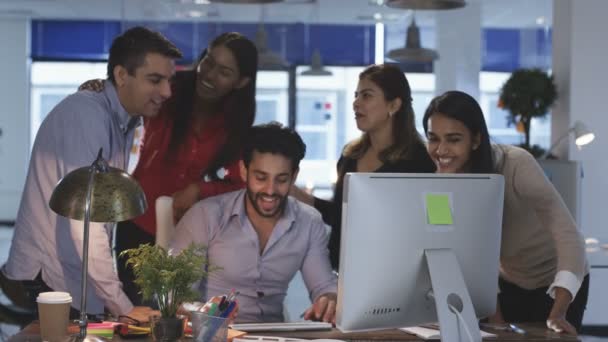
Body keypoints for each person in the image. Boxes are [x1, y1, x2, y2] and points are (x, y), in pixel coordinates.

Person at [0, 26, 182, 321]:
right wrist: (122, 306)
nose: (167, 92)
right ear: (122, 76)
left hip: (73, 273)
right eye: (155, 80)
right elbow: (87, 221)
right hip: (48, 276)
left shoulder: (125, 120)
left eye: (169, 81)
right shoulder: (88, 116)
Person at [80, 32, 259, 306]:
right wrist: (104, 91)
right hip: (138, 219)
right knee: (135, 309)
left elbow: (239, 181)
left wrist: (199, 189)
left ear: (242, 81)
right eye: (208, 62)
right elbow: (128, 97)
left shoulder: (235, 122)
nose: (209, 74)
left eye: (224, 71)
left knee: (178, 308)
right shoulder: (170, 90)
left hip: (190, 231)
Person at [422, 90, 589, 334]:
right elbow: (462, 252)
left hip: (559, 281)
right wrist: (495, 317)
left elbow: (569, 235)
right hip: (507, 283)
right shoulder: (437, 188)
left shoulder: (515, 164)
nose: (441, 150)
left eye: (454, 139)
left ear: (476, 139)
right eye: (433, 138)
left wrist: (560, 309)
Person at [170, 122, 338, 323]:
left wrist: (329, 300)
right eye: (260, 178)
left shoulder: (309, 222)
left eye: (281, 180)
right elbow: (175, 295)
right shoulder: (205, 216)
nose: (270, 190)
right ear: (243, 171)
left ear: (294, 176)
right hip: (217, 334)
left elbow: (323, 286)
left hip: (276, 336)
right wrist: (204, 311)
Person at [291, 64, 436, 270]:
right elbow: (340, 216)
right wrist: (298, 195)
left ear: (393, 105)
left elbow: (428, 226)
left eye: (366, 96)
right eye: (356, 95)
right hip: (341, 271)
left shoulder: (419, 161)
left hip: (393, 275)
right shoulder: (350, 155)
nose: (356, 103)